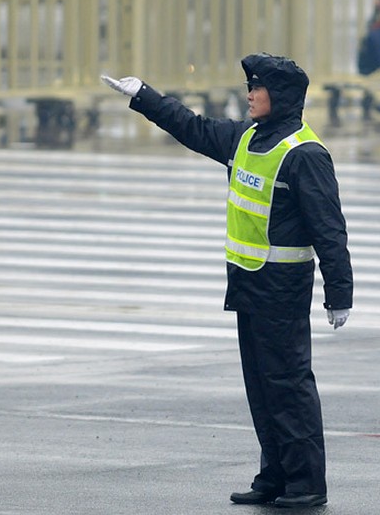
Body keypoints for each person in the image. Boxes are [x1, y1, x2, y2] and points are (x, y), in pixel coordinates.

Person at [102, 52, 353, 508]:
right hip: (248, 283)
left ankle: (306, 482)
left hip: (282, 288)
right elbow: (193, 128)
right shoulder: (247, 139)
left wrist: (339, 292)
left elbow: (329, 229)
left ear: (281, 97)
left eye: (258, 89)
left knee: (289, 386)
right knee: (261, 387)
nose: (250, 95)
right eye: (250, 88)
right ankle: (274, 476)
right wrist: (145, 96)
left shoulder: (304, 154)